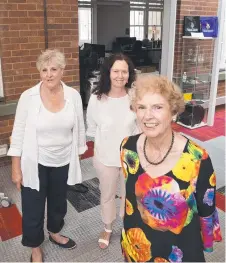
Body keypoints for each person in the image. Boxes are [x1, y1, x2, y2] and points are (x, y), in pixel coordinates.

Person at [120, 75, 222, 262]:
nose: (147, 115)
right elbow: (129, 197)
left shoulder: (197, 158)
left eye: (157, 107)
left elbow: (206, 209)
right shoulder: (127, 148)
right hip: (138, 246)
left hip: (179, 251)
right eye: (141, 107)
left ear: (173, 112)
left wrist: (206, 242)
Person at [7, 49, 87, 262]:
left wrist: (77, 158)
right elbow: (18, 134)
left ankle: (54, 232)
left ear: (62, 70)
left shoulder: (73, 96)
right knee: (33, 206)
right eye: (44, 70)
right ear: (39, 72)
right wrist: (16, 168)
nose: (49, 74)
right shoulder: (28, 97)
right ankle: (34, 247)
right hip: (35, 162)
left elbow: (79, 128)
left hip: (63, 161)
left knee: (58, 202)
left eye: (53, 69)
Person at [86, 53, 139, 249]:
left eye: (124, 71)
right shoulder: (96, 98)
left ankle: (127, 226)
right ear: (108, 73)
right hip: (105, 157)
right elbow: (91, 127)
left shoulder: (134, 97)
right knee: (107, 194)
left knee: (129, 195)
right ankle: (107, 228)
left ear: (129, 74)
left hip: (131, 158)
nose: (120, 75)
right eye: (115, 71)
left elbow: (140, 127)